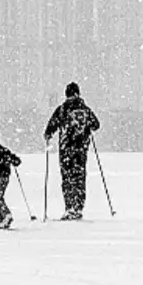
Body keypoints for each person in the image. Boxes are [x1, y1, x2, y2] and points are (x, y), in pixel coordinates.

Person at [44, 82, 100, 220]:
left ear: (66, 94)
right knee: (79, 178)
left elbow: (51, 126)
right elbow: (96, 125)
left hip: (66, 150)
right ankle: (78, 208)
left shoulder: (63, 109)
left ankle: (70, 208)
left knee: (67, 178)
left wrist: (48, 134)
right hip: (81, 150)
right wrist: (86, 129)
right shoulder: (85, 109)